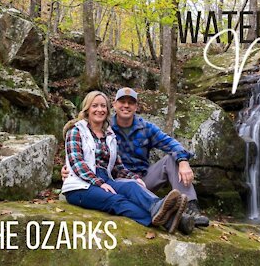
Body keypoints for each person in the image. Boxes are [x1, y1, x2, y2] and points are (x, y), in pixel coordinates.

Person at [63, 88, 209, 227]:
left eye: (130, 102)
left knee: (171, 160)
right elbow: (78, 158)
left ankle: (189, 209)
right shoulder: (98, 127)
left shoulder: (138, 129)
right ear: (114, 105)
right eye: (122, 102)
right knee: (122, 196)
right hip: (108, 181)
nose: (126, 106)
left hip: (139, 180)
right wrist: (68, 169)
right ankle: (172, 219)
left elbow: (168, 143)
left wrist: (183, 161)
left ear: (136, 106)